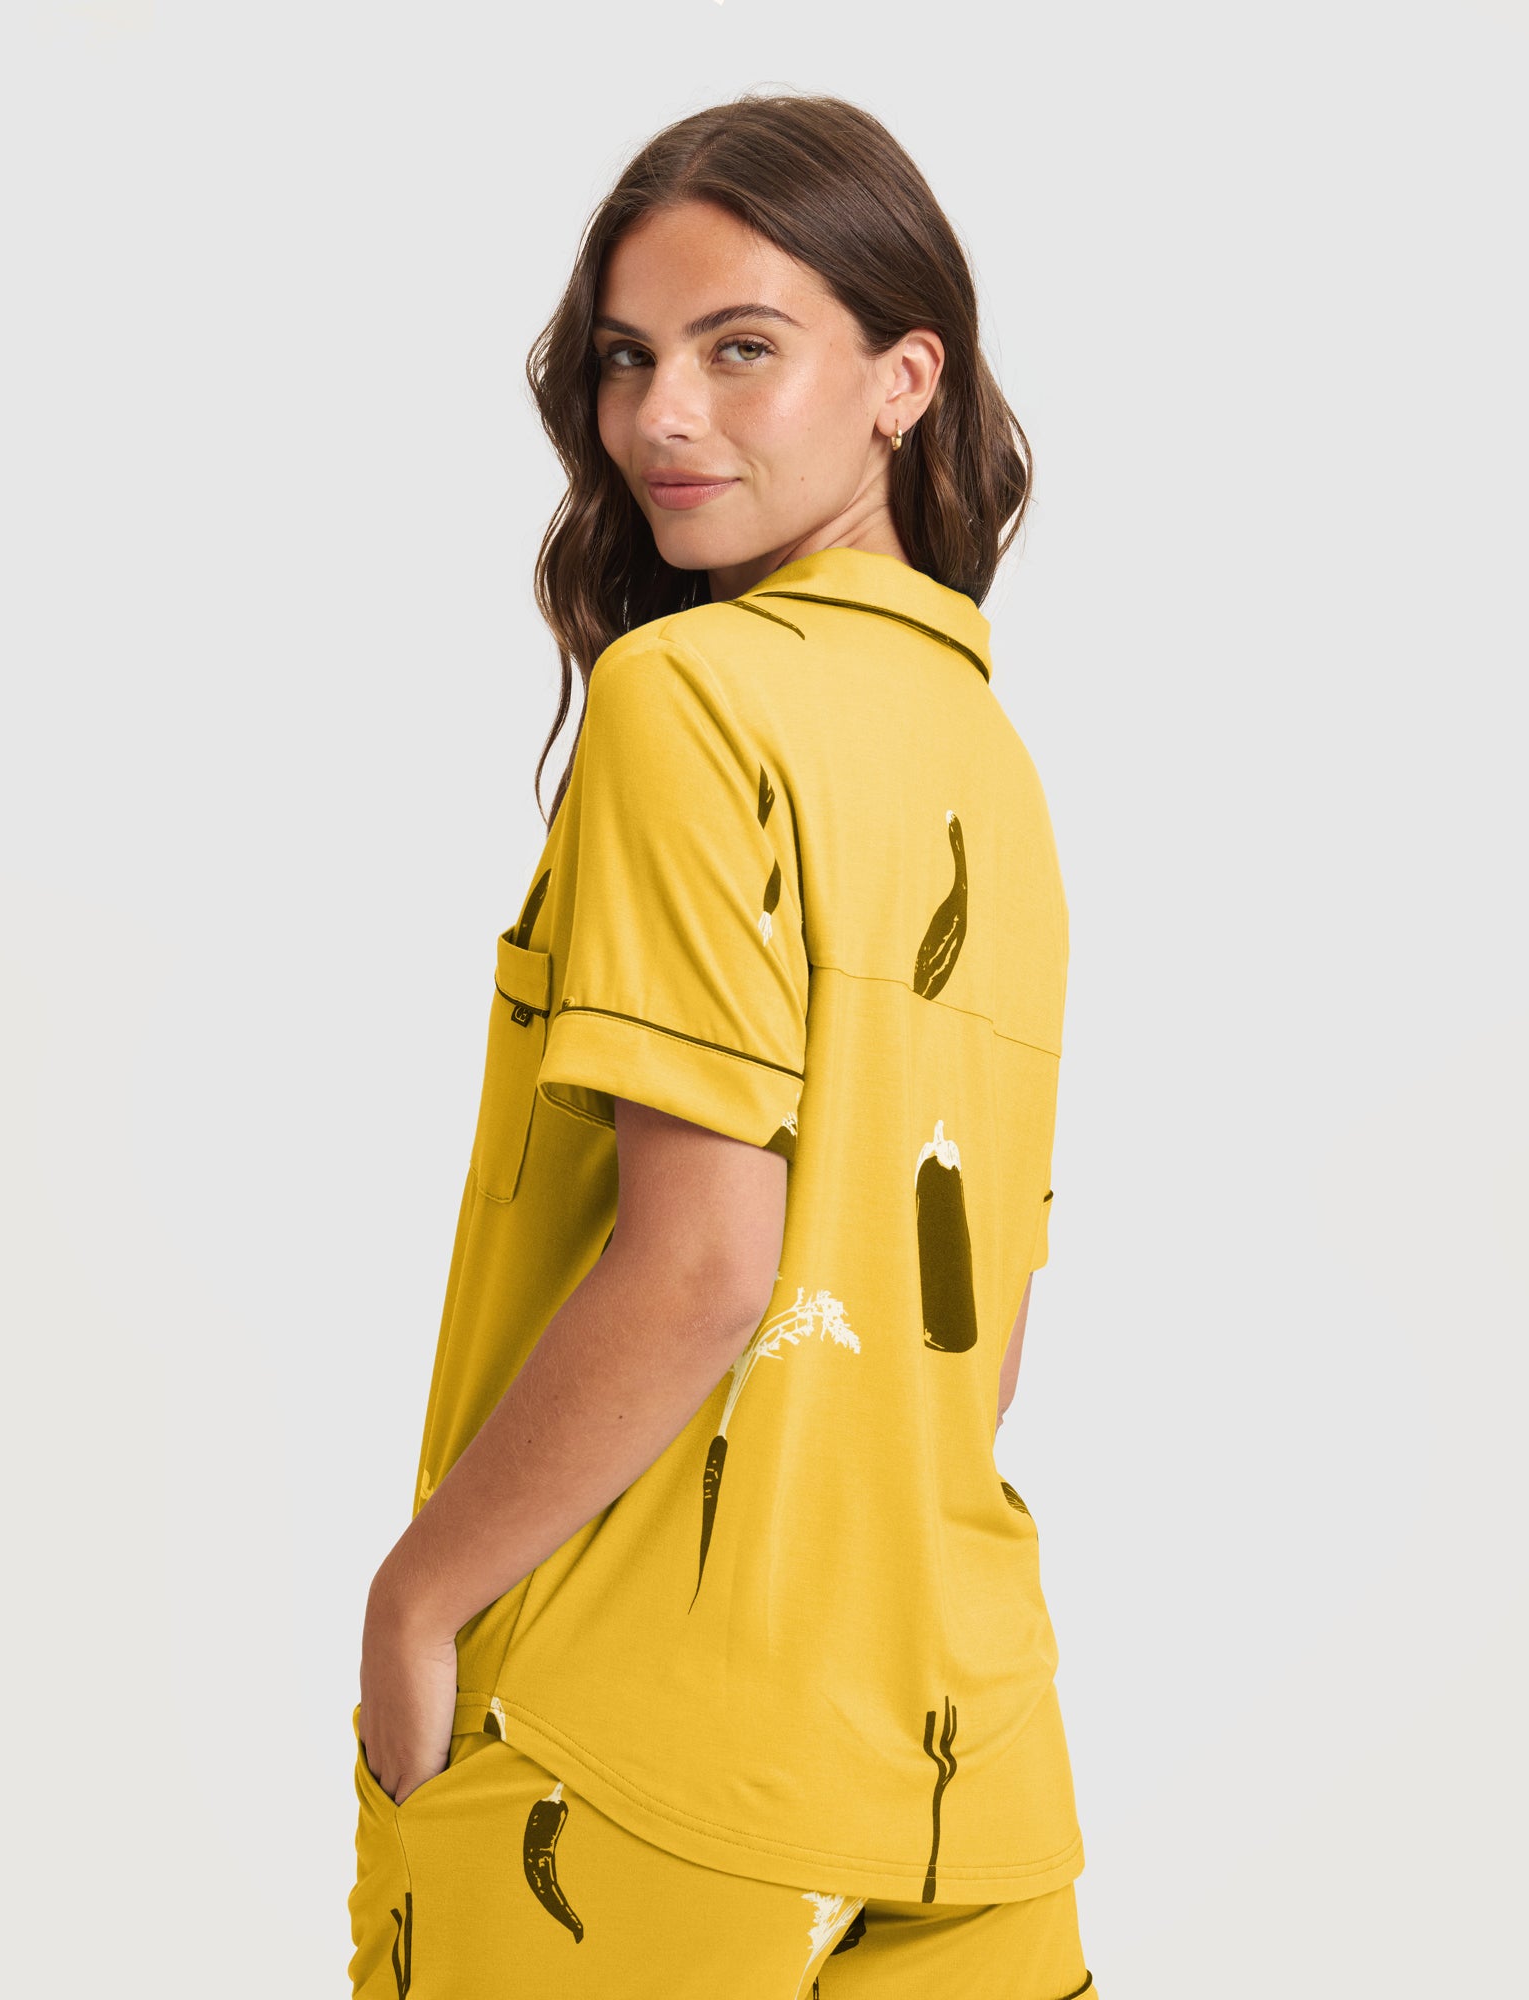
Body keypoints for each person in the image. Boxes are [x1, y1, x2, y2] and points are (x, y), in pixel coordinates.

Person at [348, 88, 1098, 2000]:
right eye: (627, 360)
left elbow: (702, 1264)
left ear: (901, 378)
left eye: (739, 348)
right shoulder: (982, 758)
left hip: (636, 1759)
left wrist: (420, 1595)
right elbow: (979, 1332)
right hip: (961, 1757)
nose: (659, 417)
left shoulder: (689, 693)